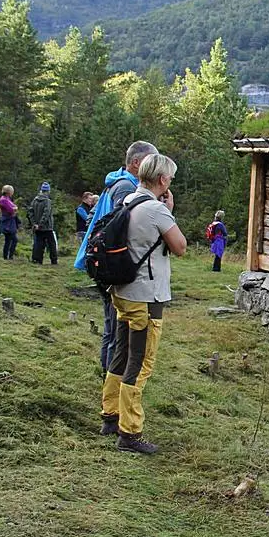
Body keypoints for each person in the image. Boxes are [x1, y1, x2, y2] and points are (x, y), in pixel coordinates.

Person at [99, 154, 186, 454]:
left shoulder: (129, 202)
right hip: (146, 297)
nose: (171, 183)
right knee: (141, 362)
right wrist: (168, 212)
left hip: (122, 292)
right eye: (170, 179)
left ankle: (110, 415)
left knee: (121, 354)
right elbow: (181, 247)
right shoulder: (155, 210)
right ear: (162, 180)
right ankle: (130, 433)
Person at [75, 141, 158, 373]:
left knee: (114, 324)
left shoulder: (119, 182)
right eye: (151, 161)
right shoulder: (125, 187)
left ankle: (110, 374)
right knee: (116, 328)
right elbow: (121, 229)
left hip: (105, 262)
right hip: (110, 264)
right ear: (136, 163)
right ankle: (110, 378)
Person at [27, 182, 58, 265]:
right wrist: (41, 224)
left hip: (37, 227)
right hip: (47, 227)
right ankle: (54, 261)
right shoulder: (47, 201)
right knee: (52, 244)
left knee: (38, 244)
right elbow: (46, 213)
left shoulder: (35, 200)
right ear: (48, 191)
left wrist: (34, 224)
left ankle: (37, 260)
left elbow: (30, 212)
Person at [0, 185, 20, 260]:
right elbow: (11, 209)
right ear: (9, 192)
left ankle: (7, 256)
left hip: (10, 221)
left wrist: (15, 209)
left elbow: (14, 207)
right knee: (13, 239)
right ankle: (9, 256)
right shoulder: (3, 200)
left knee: (8, 240)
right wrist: (15, 209)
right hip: (7, 221)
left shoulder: (7, 199)